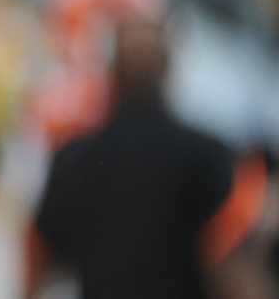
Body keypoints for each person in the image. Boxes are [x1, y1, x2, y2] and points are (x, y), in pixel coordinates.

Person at [25, 16, 274, 299]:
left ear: (112, 73)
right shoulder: (208, 156)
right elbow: (230, 259)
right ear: (168, 70)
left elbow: (38, 254)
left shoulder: (75, 158)